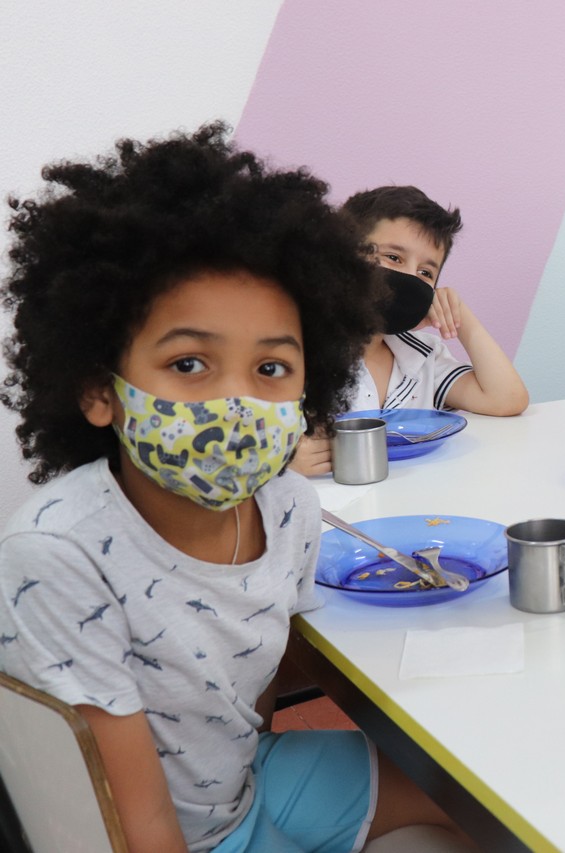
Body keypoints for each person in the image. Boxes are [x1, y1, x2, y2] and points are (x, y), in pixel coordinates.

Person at [0, 125, 473, 852]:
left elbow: (253, 702)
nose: (237, 400)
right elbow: (135, 826)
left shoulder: (290, 508)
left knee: (477, 805)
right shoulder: (59, 555)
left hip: (248, 785)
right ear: (99, 389)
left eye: (272, 368)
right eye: (189, 363)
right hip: (173, 834)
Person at [290, 185, 528, 476]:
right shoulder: (294, 351)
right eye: (393, 258)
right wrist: (282, 463)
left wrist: (459, 315)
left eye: (425, 273)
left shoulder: (423, 356)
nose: (408, 278)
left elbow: (506, 399)